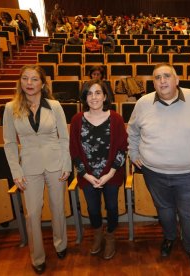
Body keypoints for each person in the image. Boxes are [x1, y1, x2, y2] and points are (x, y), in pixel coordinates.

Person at [127, 63, 190, 272]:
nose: (162, 81)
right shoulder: (143, 103)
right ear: (153, 82)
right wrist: (134, 153)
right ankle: (169, 237)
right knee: (164, 211)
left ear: (177, 80)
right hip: (154, 173)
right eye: (157, 77)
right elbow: (132, 130)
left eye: (167, 76)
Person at [3, 65, 71, 274]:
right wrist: (16, 171)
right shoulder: (10, 108)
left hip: (55, 163)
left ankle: (61, 244)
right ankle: (38, 257)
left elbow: (64, 137)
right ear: (20, 82)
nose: (29, 83)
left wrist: (67, 164)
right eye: (25, 79)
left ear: (42, 83)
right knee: (32, 214)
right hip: (28, 167)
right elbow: (9, 143)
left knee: (58, 208)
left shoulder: (54, 105)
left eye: (34, 79)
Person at [69, 79, 127, 260]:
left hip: (111, 175)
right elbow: (74, 150)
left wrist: (109, 174)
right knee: (92, 209)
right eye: (89, 93)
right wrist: (85, 174)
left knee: (111, 207)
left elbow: (122, 148)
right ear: (84, 97)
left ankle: (110, 236)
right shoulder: (77, 120)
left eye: (97, 93)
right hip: (87, 176)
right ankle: (97, 235)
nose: (93, 97)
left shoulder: (116, 118)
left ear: (105, 96)